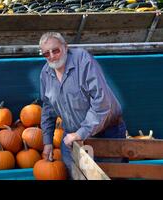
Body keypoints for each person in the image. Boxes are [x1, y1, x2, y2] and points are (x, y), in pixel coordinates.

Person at [39, 32, 127, 179]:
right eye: (46, 54)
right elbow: (48, 109)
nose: (52, 56)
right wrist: (47, 141)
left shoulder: (82, 60)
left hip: (105, 133)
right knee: (76, 177)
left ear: (65, 47)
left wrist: (81, 133)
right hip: (72, 138)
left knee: (110, 177)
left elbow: (102, 102)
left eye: (55, 50)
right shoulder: (45, 74)